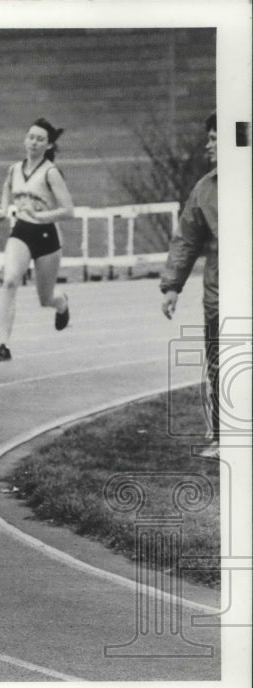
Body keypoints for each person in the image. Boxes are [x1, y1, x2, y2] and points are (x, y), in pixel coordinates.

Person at [0, 118, 75, 363]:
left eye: (40, 139)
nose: (34, 143)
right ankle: (1, 345)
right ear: (25, 140)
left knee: (46, 298)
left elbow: (69, 211)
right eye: (31, 137)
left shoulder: (51, 173)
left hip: (47, 236)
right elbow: (7, 189)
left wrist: (41, 215)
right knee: (9, 282)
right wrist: (3, 210)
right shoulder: (14, 169)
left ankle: (62, 305)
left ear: (48, 146)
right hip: (22, 232)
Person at [160, 113, 219, 458]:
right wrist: (172, 287)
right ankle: (223, 438)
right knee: (219, 366)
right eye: (208, 137)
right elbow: (186, 240)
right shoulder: (205, 188)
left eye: (214, 139)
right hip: (219, 297)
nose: (208, 145)